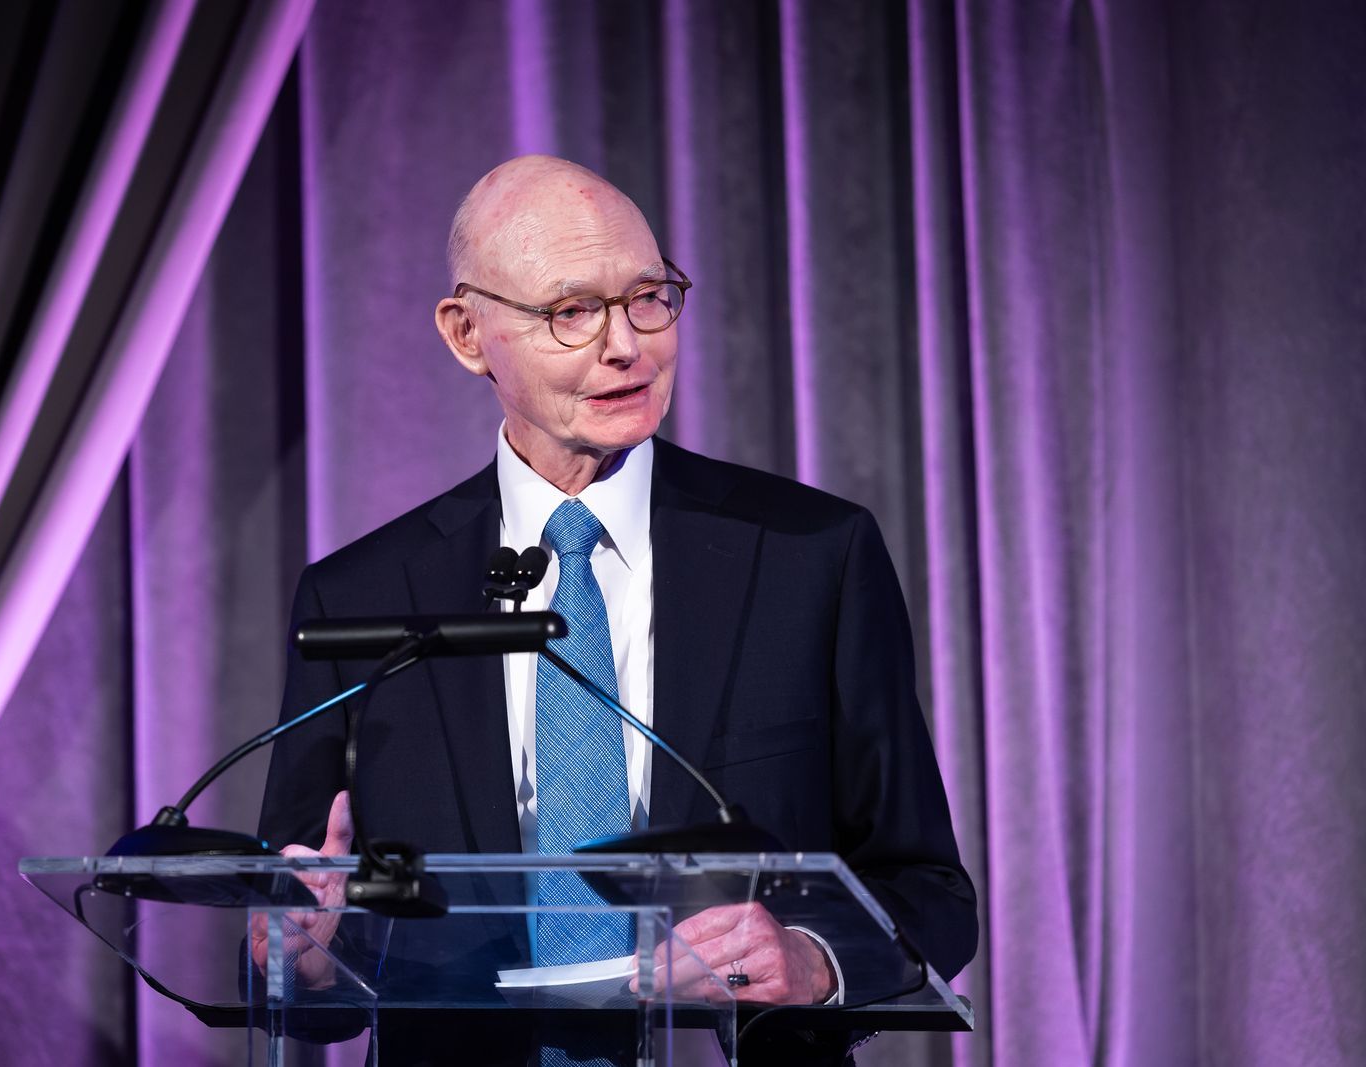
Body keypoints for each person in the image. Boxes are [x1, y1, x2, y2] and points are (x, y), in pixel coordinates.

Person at [257, 155, 976, 1061]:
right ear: (468, 334)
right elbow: (306, 936)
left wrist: (808, 956)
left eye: (648, 297)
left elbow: (929, 890)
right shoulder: (361, 598)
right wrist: (304, 960)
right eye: (571, 312)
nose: (627, 344)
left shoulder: (809, 557)